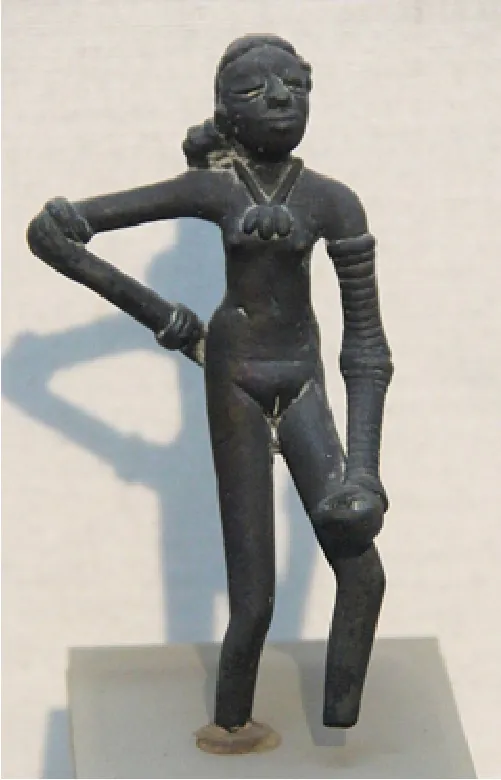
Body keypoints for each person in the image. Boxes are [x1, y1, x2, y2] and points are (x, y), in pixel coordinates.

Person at [27, 34, 393, 753]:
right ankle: (232, 723)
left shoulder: (333, 202)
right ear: (226, 113)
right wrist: (165, 318)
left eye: (294, 85)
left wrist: (364, 471)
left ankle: (339, 733)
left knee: (362, 573)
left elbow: (366, 347)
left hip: (303, 378)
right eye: (256, 89)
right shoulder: (212, 189)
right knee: (252, 600)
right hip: (237, 380)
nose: (281, 98)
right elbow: (53, 235)